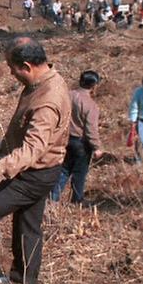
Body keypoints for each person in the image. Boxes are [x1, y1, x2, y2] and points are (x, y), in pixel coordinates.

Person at [0, 37, 70, 284]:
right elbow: (26, 128)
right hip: (41, 169)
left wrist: (0, 167)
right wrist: (6, 143)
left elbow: (34, 148)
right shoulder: (43, 81)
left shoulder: (48, 99)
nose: (10, 72)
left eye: (12, 67)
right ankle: (24, 280)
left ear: (26, 66)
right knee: (28, 225)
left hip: (35, 173)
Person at [49, 71, 103, 204]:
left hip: (63, 139)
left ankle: (52, 199)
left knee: (63, 170)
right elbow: (91, 130)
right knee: (79, 173)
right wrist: (97, 147)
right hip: (80, 143)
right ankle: (77, 201)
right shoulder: (91, 105)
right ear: (94, 86)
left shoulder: (67, 95)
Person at [129, 75, 143, 165]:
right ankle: (138, 160)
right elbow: (134, 107)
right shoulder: (139, 92)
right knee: (142, 141)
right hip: (142, 121)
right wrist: (133, 120)